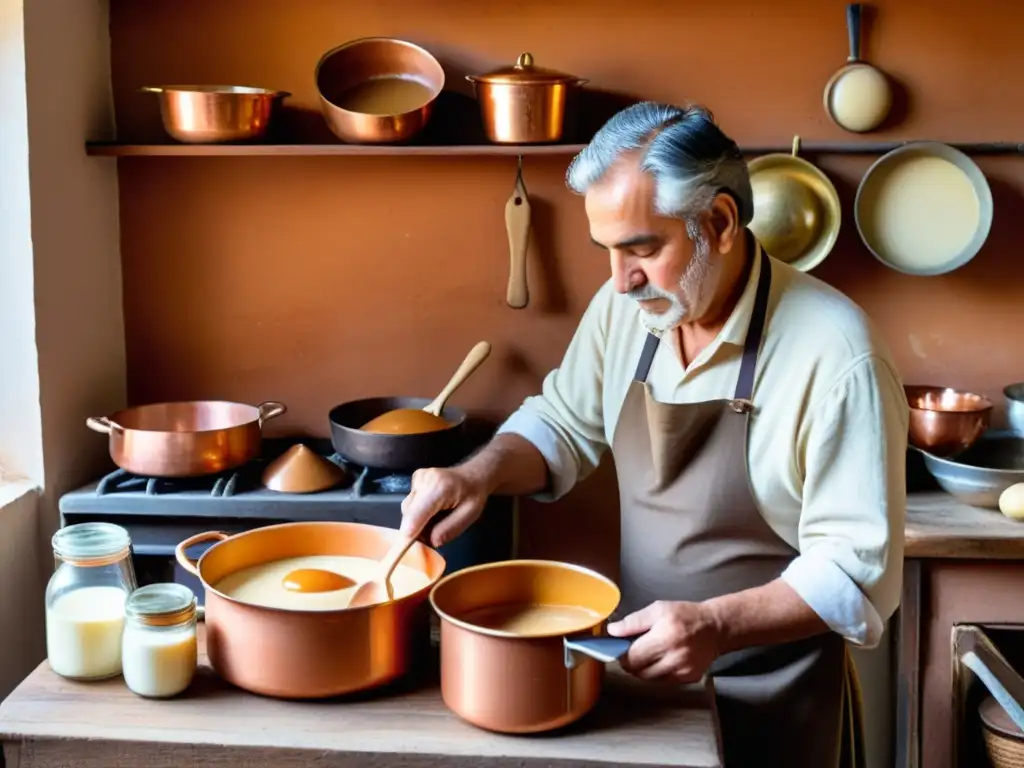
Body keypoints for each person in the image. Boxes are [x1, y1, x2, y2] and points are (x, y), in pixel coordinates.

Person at [400, 102, 908, 768]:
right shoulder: (627, 310)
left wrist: (716, 625)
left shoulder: (836, 354)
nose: (619, 280)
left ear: (720, 223)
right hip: (645, 686)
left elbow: (855, 572)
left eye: (642, 248)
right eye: (608, 250)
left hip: (776, 702)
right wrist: (480, 474)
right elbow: (563, 422)